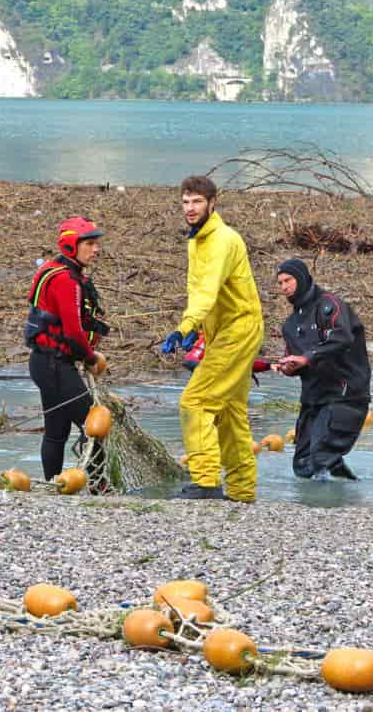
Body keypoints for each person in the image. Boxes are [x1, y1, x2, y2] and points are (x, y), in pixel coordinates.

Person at [161, 176, 263, 501]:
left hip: (239, 330)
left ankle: (205, 482)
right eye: (185, 202)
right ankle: (242, 491)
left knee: (196, 401)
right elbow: (202, 293)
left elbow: (206, 292)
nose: (190, 209)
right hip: (225, 330)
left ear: (212, 203)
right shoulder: (197, 240)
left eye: (197, 202)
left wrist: (185, 328)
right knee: (230, 411)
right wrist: (201, 330)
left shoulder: (222, 240)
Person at [25, 217, 109, 480]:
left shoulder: (55, 269)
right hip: (55, 366)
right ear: (72, 246)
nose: (96, 250)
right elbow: (73, 331)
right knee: (94, 428)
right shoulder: (67, 281)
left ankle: (53, 485)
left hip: (44, 364)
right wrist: (90, 357)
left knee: (56, 432)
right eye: (91, 244)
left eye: (97, 244)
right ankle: (99, 487)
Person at [274, 258, 370, 480]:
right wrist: (290, 368)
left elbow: (342, 338)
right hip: (313, 398)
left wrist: (307, 358)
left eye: (288, 280)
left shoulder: (330, 305)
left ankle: (332, 507)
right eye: (280, 283)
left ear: (301, 278)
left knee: (320, 458)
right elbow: (298, 361)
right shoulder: (290, 325)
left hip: (345, 394)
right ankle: (347, 487)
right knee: (303, 465)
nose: (284, 286)